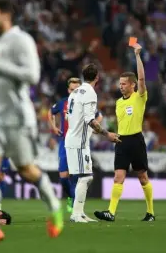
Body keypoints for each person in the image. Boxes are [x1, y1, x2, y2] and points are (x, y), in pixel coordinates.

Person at [0, 0, 63, 250]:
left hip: (18, 118)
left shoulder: (22, 41)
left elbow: (32, 75)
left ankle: (54, 207)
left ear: (6, 15)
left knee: (27, 170)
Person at [94, 43, 155, 222]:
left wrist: (137, 56)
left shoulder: (140, 96)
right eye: (119, 84)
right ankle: (111, 212)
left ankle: (150, 212)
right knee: (118, 177)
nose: (120, 86)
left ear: (133, 85)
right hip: (121, 141)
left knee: (142, 177)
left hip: (136, 140)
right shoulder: (119, 102)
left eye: (124, 84)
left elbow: (142, 79)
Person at [65, 64, 120, 223]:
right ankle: (76, 214)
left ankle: (79, 213)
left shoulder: (74, 92)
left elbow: (72, 117)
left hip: (74, 138)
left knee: (85, 177)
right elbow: (90, 120)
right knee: (86, 177)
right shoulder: (90, 93)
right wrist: (106, 134)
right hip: (79, 142)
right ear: (97, 77)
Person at [48, 77, 103, 213]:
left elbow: (98, 115)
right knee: (63, 176)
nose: (74, 91)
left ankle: (77, 207)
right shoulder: (63, 103)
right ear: (68, 90)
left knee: (79, 176)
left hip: (80, 142)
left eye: (77, 89)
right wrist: (54, 127)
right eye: (72, 89)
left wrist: (93, 128)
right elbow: (51, 112)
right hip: (64, 142)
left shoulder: (84, 102)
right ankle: (71, 197)